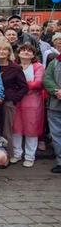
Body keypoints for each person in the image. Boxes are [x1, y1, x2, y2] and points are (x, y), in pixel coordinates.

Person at [13, 43, 45, 167]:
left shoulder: (38, 66)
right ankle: (16, 154)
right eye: (23, 50)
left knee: (31, 128)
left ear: (33, 54)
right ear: (18, 53)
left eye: (29, 51)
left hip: (32, 101)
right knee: (16, 128)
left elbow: (38, 83)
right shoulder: (15, 65)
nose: (26, 52)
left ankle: (30, 156)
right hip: (17, 101)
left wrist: (20, 85)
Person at [0, 39, 28, 158]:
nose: (2, 52)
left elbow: (24, 87)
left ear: (9, 52)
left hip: (8, 102)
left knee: (7, 130)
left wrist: (13, 98)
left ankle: (7, 155)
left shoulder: (15, 68)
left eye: (5, 49)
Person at [44, 45, 61, 173]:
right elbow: (47, 79)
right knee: (56, 135)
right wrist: (56, 91)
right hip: (55, 105)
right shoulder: (54, 63)